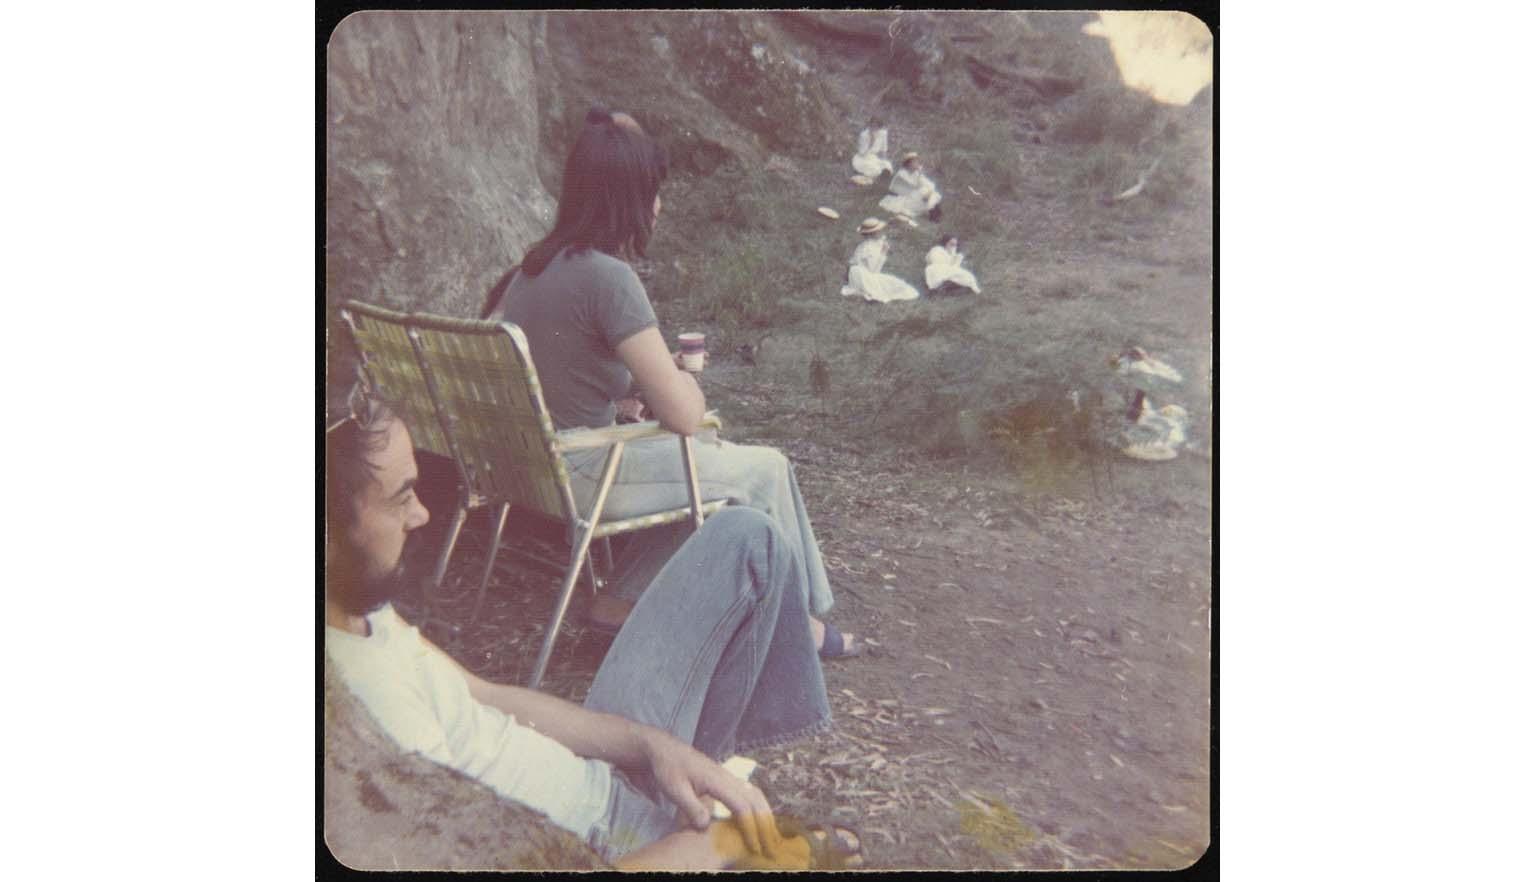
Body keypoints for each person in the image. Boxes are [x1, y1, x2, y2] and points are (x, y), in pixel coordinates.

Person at [325, 394, 864, 870]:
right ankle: (728, 831)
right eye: (401, 497)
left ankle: (717, 796)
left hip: (600, 775)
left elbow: (486, 696)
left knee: (748, 539)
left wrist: (650, 746)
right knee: (746, 842)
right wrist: (713, 847)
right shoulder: (357, 714)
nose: (422, 514)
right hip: (606, 846)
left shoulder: (359, 612)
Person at [495, 107, 865, 659]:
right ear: (628, 199)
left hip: (535, 472)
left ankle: (619, 600)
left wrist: (629, 388)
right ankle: (797, 628)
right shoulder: (609, 278)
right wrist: (677, 377)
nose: (660, 205)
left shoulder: (530, 271)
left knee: (710, 465)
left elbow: (560, 370)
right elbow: (685, 414)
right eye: (654, 191)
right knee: (762, 469)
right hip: (586, 476)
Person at [840, 217, 921, 304]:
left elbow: (852, 262)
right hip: (863, 276)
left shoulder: (866, 245)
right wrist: (883, 253)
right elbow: (874, 271)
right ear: (873, 234)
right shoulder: (869, 248)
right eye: (879, 231)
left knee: (897, 284)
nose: (882, 232)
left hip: (858, 274)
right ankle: (869, 291)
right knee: (896, 286)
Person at [879, 152, 943, 222]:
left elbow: (928, 183)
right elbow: (915, 185)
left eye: (917, 161)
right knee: (922, 192)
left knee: (927, 191)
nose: (918, 164)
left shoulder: (915, 173)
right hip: (901, 197)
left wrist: (930, 192)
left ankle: (933, 211)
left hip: (911, 195)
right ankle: (933, 211)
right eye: (915, 162)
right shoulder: (902, 174)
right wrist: (920, 173)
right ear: (908, 164)